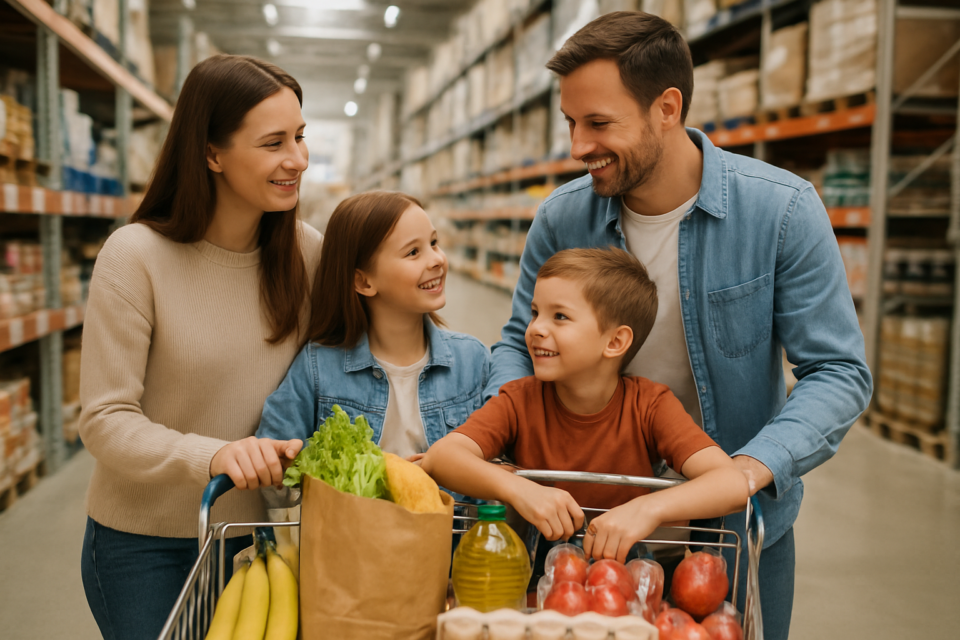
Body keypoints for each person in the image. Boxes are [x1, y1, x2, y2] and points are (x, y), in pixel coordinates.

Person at [484, 12, 872, 639]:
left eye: (599, 123)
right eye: (572, 123)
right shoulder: (561, 218)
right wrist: (503, 433)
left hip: (730, 539)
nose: (578, 146)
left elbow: (838, 372)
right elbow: (514, 343)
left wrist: (748, 468)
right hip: (582, 528)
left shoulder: (781, 211)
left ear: (667, 108)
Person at [78, 55, 319, 639]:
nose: (297, 159)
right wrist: (213, 455)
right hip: (143, 548)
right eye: (273, 143)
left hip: (260, 539)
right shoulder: (134, 258)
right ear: (213, 153)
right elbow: (105, 420)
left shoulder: (307, 253)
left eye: (300, 136)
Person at [423, 247, 748, 561]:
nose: (536, 329)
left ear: (615, 342)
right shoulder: (519, 400)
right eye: (535, 313)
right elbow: (444, 456)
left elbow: (731, 484)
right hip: (529, 571)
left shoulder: (650, 406)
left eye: (559, 316)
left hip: (620, 576)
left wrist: (648, 509)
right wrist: (520, 490)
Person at [254, 191, 490, 459]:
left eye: (434, 243)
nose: (437, 259)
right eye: (413, 252)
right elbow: (273, 472)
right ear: (364, 282)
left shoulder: (474, 361)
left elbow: (501, 463)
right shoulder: (318, 369)